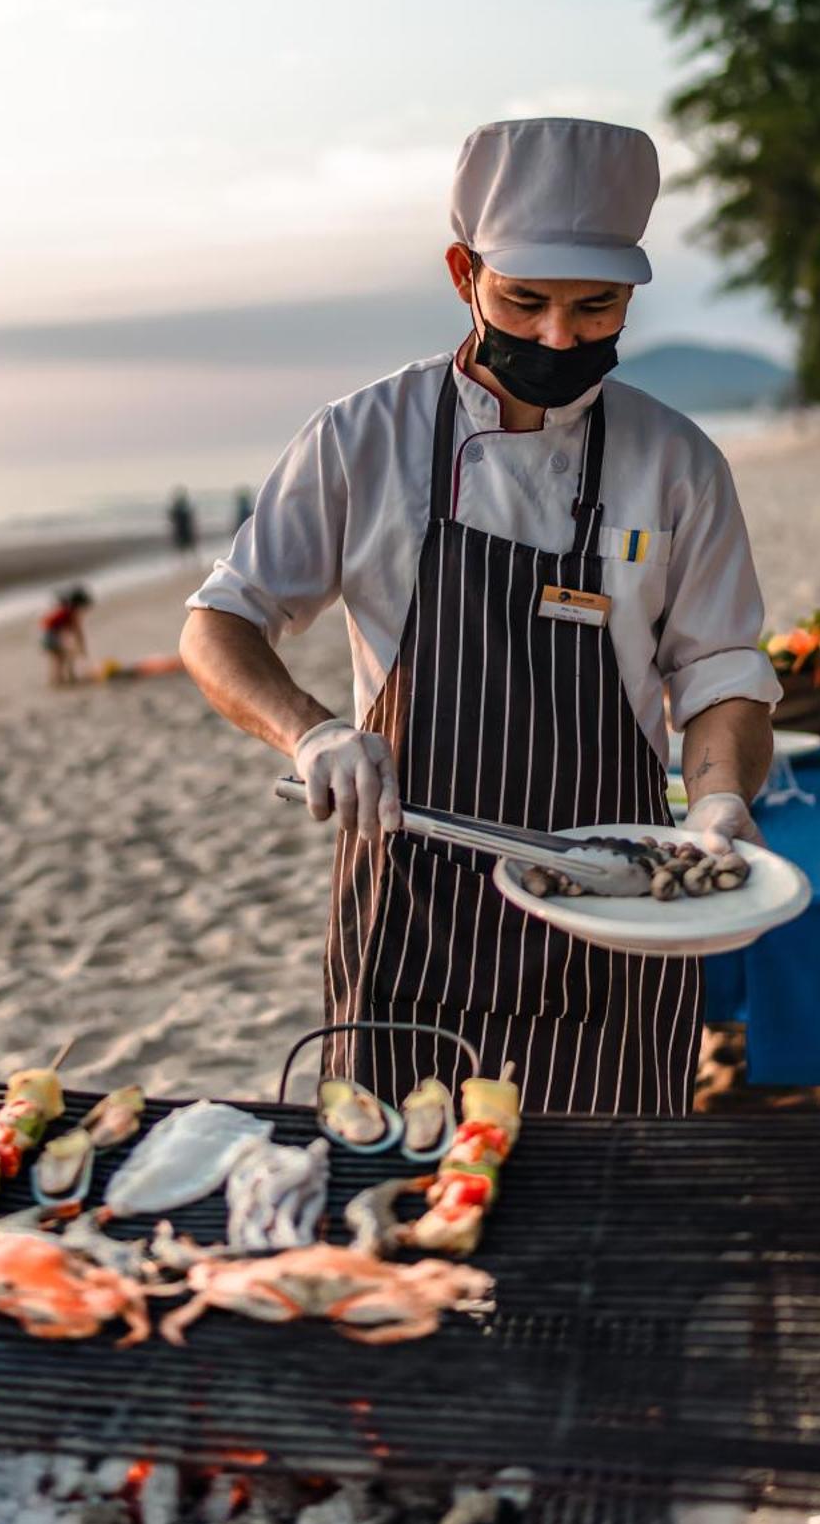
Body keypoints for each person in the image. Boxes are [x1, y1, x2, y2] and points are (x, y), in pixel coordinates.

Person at [180, 118, 781, 1115]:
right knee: (399, 1194)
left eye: (595, 307)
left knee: (603, 1202)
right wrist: (312, 730)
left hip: (616, 912)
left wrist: (719, 801)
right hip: (415, 902)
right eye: (526, 299)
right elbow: (220, 622)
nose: (558, 336)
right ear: (465, 271)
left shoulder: (676, 462)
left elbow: (720, 669)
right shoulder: (360, 437)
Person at [40, 584, 92, 687]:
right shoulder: (70, 613)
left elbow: (64, 628)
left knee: (59, 658)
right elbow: (77, 631)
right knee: (67, 654)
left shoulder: (64, 610)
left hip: (46, 635)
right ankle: (68, 677)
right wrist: (82, 647)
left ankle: (57, 679)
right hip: (49, 636)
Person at [167, 488, 198, 556]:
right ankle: (190, 563)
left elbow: (171, 519)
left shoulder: (178, 507)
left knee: (184, 548)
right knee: (186, 548)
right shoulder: (182, 506)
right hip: (183, 529)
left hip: (182, 530)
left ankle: (186, 563)